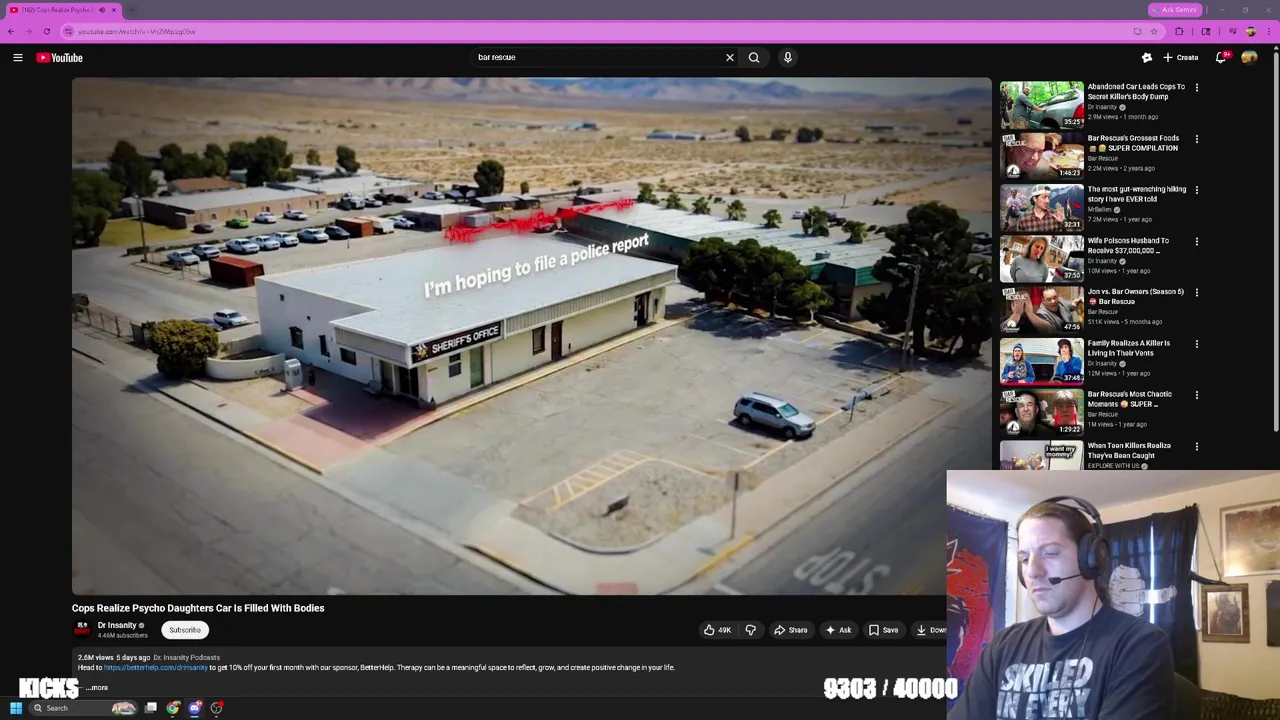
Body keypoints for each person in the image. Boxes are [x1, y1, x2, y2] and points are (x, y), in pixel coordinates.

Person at [949, 498, 1175, 720]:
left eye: (1050, 553)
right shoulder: (1003, 645)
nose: (1032, 571)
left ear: (1090, 559)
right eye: (1025, 559)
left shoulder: (1139, 645)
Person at [1004, 287, 1077, 333]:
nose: (1053, 301)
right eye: (1019, 302)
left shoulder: (1037, 318)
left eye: (1026, 302)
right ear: (1012, 306)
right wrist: (1016, 314)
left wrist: (1030, 314)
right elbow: (1002, 330)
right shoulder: (1004, 320)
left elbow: (1049, 329)